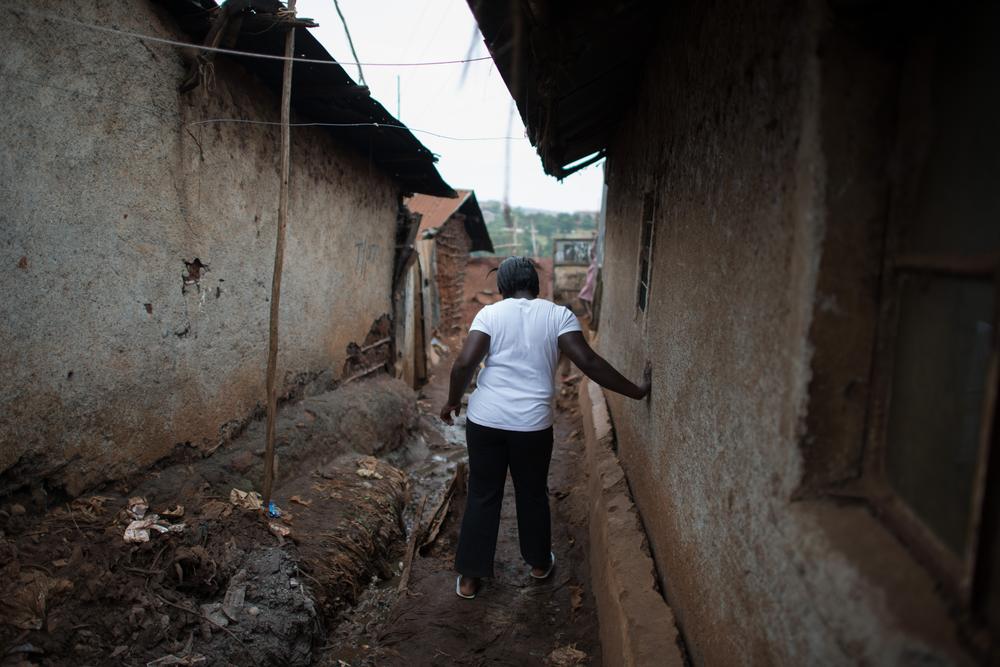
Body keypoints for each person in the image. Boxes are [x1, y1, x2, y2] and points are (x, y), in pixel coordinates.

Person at [440, 256, 652, 599]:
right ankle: (539, 564)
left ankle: (469, 578)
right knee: (532, 491)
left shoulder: (490, 314)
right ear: (535, 286)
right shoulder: (558, 315)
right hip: (532, 426)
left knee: (483, 493)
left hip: (486, 421)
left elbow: (465, 363)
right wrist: (637, 391)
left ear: (503, 287)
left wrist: (452, 401)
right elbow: (588, 361)